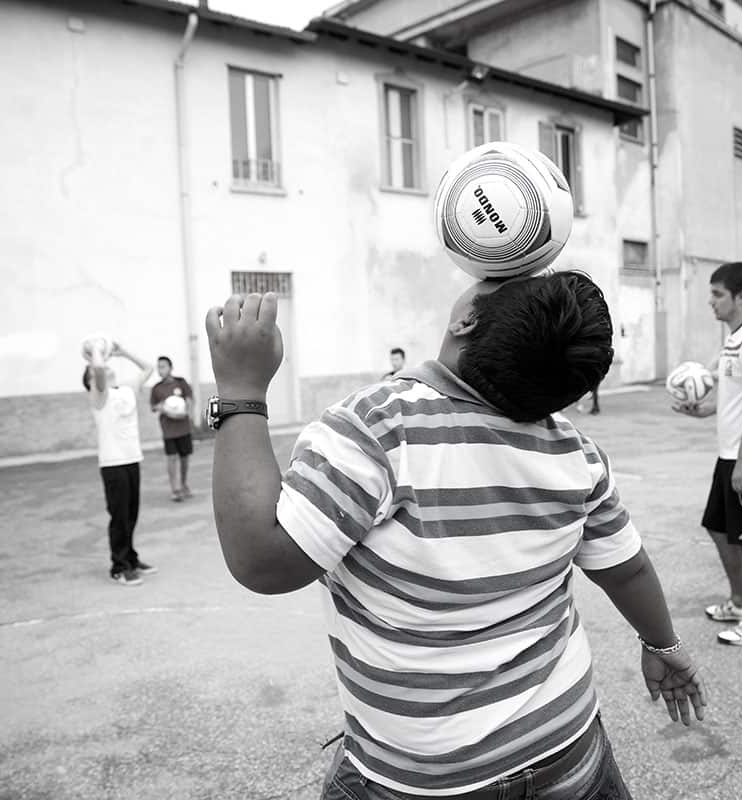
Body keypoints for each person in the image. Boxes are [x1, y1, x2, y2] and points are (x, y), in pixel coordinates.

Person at [203, 274, 706, 799]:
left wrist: (242, 391)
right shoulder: (575, 451)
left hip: (426, 778)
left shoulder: (379, 428)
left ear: (466, 321)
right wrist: (662, 644)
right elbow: (627, 568)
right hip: (567, 746)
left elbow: (263, 562)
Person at [675, 262, 742, 646]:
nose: (711, 301)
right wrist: (704, 410)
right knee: (718, 527)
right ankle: (741, 602)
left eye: (718, 294)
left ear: (741, 296)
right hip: (732, 455)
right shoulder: (735, 338)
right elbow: (737, 399)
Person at [83, 340, 158, 586]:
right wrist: (96, 350)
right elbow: (99, 370)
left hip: (132, 459)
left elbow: (148, 368)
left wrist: (123, 352)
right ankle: (119, 567)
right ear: (92, 381)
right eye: (97, 371)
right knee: (119, 517)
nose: (105, 369)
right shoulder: (99, 397)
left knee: (131, 514)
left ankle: (131, 559)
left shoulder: (125, 390)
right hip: (113, 464)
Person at [149, 355, 195, 502]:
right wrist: (164, 408)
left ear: (170, 367)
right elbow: (153, 407)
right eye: (158, 367)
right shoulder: (156, 388)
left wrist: (185, 412)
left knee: (184, 458)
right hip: (168, 429)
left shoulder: (181, 382)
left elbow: (189, 399)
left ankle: (184, 484)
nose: (160, 370)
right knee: (171, 458)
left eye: (163, 366)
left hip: (183, 427)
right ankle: (175, 489)